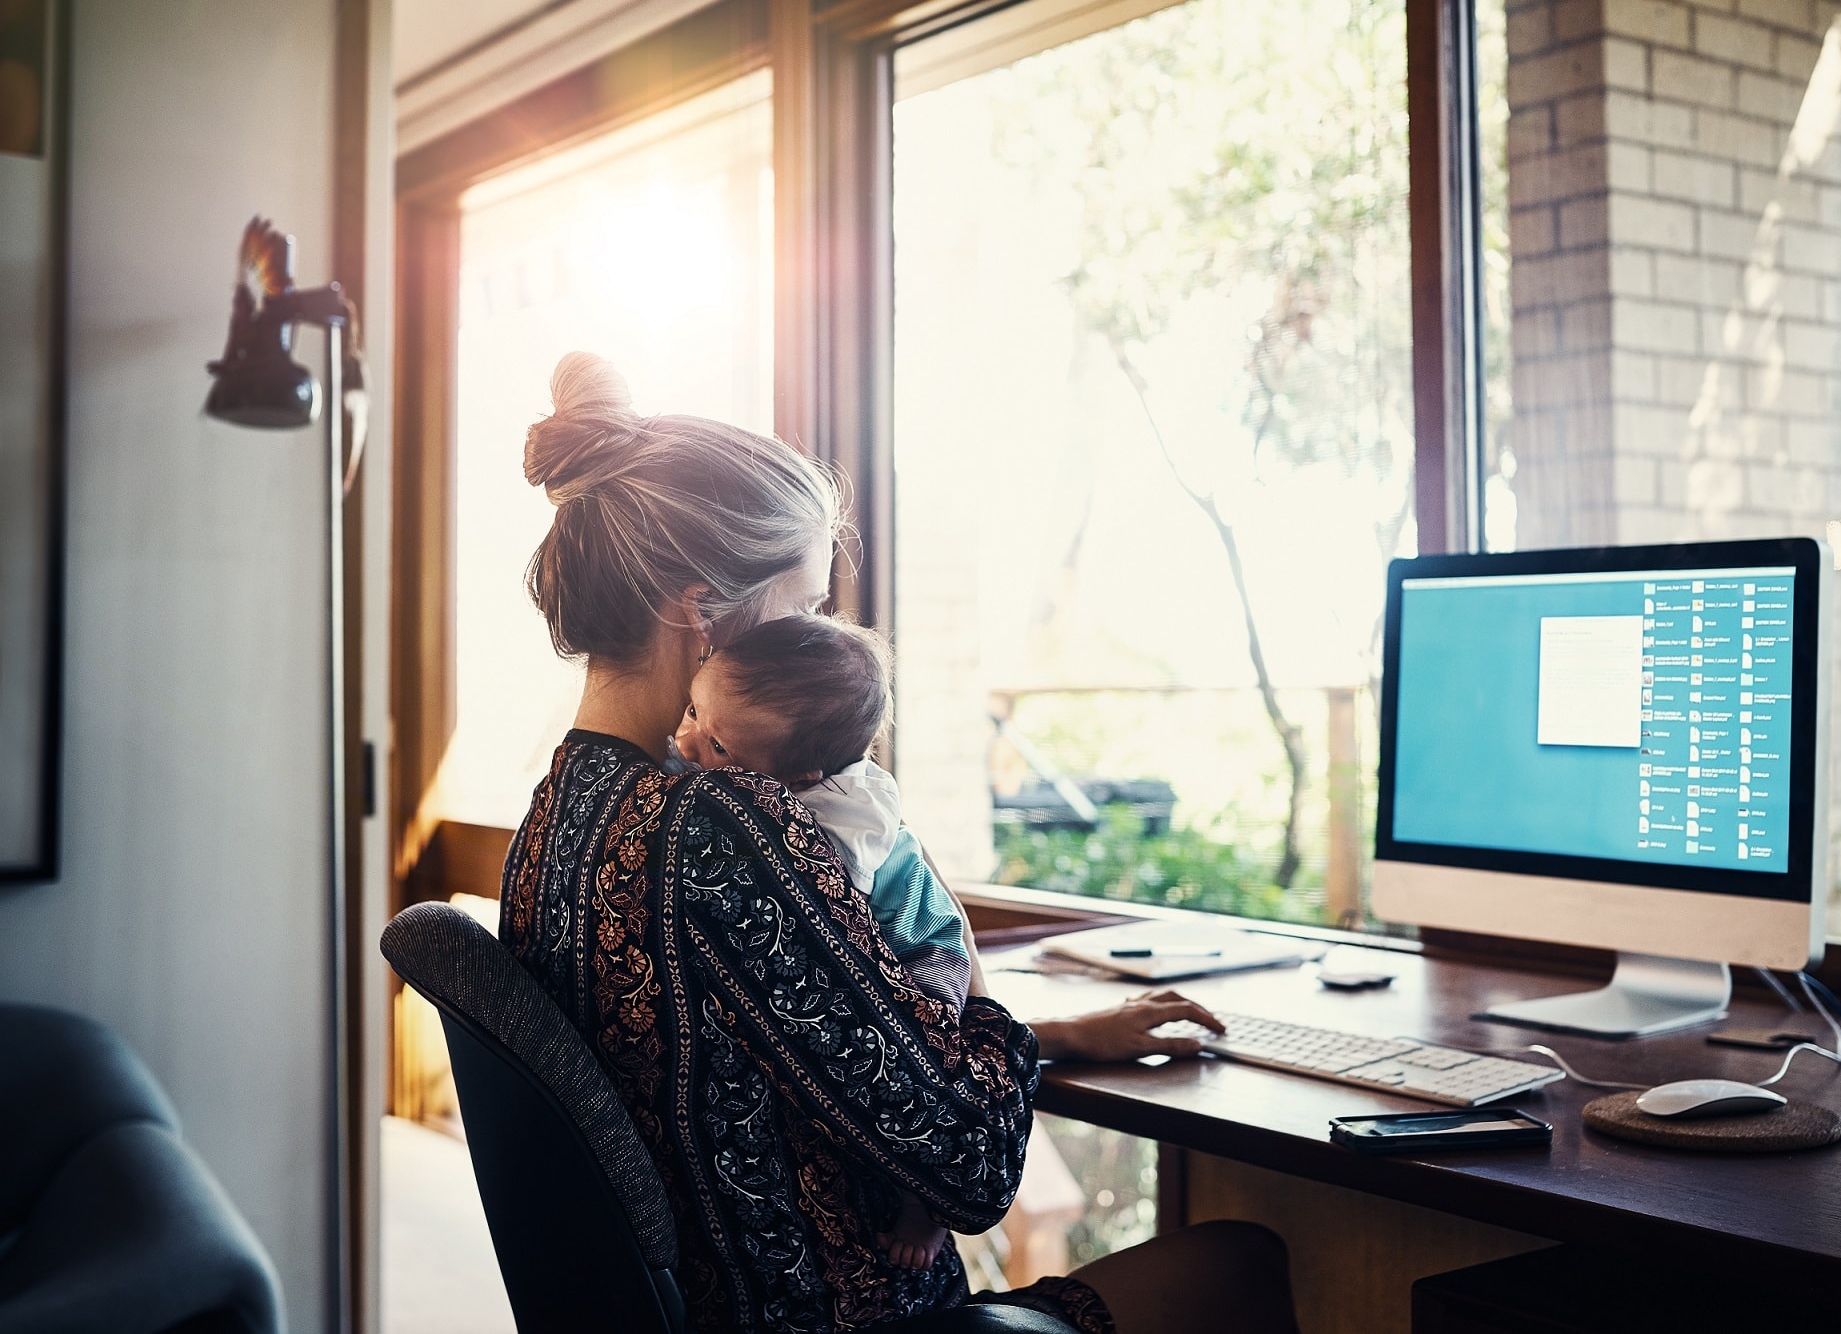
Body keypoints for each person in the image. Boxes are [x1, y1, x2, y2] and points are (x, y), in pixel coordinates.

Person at [500, 352, 1300, 1334]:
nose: (814, 641)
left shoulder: (558, 814)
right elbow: (969, 1167)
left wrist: (1063, 1035)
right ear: (700, 612)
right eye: (800, 609)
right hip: (846, 1320)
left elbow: (770, 1055)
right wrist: (995, 1018)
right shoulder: (726, 826)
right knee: (1240, 1261)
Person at [663, 611, 968, 1269]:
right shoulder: (766, 772)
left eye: (716, 748)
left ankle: (929, 1206)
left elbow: (837, 916)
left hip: (923, 946)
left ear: (797, 778)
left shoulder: (839, 820)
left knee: (930, 1052)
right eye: (692, 710)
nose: (687, 742)